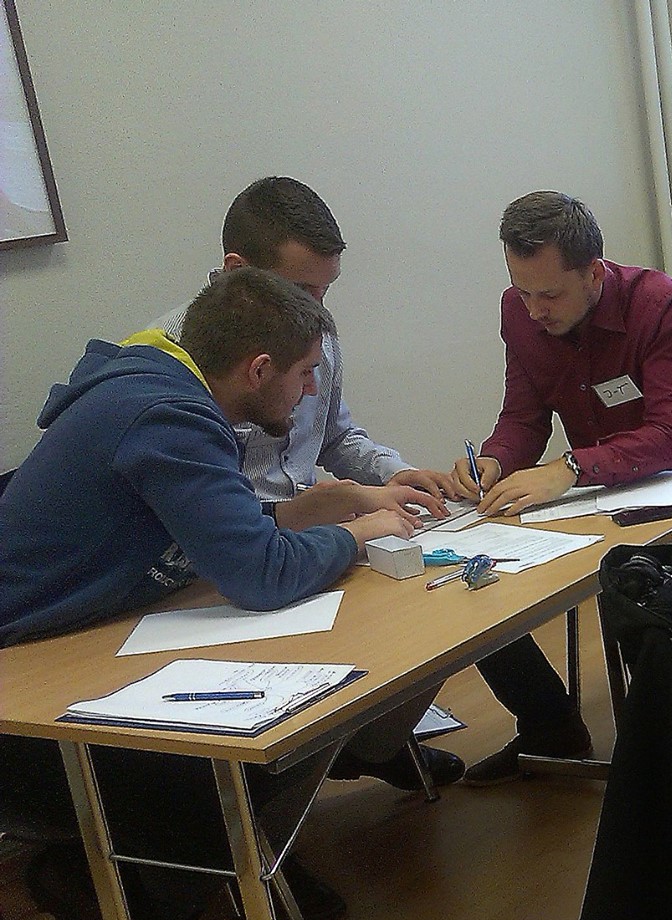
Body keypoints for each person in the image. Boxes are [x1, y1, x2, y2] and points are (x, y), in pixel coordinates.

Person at [0, 268, 419, 920]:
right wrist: (358, 534)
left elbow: (214, 530)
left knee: (290, 700)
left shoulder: (161, 389)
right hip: (25, 708)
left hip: (81, 638)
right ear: (258, 369)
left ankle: (199, 876)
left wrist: (313, 511)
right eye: (303, 374)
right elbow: (260, 574)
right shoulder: (167, 415)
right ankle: (113, 890)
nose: (310, 393)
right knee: (258, 735)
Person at [153, 175, 464, 791]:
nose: (318, 310)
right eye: (302, 291)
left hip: (302, 530)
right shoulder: (176, 364)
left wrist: (393, 475)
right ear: (238, 272)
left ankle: (374, 742)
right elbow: (219, 530)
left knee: (442, 596)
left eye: (326, 291)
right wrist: (337, 512)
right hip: (224, 563)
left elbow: (335, 435)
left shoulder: (309, 332)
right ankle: (291, 791)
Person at [451, 191, 672, 784]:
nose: (534, 309)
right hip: (590, 502)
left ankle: (671, 760)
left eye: (549, 295)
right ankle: (549, 725)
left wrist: (568, 469)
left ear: (594, 274)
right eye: (522, 291)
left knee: (654, 611)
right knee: (470, 587)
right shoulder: (519, 312)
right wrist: (495, 460)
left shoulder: (662, 305)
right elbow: (523, 417)